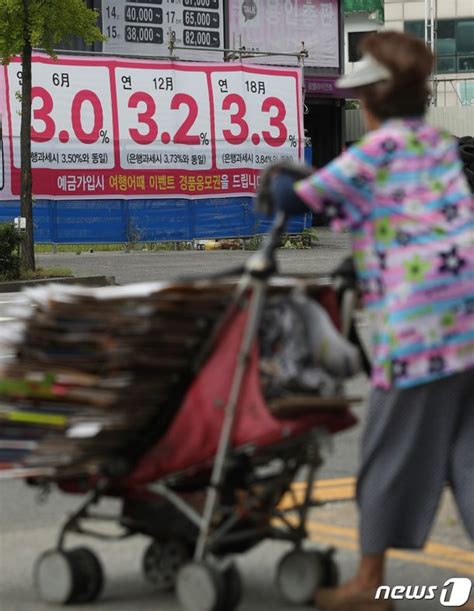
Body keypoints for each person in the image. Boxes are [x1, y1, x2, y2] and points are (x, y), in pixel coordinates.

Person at [261, 31, 474, 611]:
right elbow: (418, 219)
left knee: (387, 451)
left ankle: (368, 586)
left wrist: (280, 181)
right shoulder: (436, 145)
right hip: (468, 320)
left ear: (372, 101)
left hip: (420, 329)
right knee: (466, 453)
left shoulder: (376, 150)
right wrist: (364, 259)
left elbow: (299, 198)